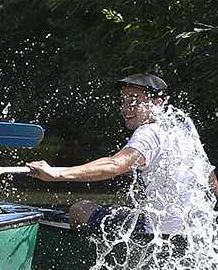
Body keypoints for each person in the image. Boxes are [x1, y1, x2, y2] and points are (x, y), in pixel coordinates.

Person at [26, 73, 217, 236]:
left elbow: (115, 165)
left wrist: (57, 174)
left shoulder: (149, 132)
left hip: (160, 234)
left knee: (80, 209)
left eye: (134, 100)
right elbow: (211, 179)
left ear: (156, 103)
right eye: (124, 101)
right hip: (199, 232)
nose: (126, 109)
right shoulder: (183, 125)